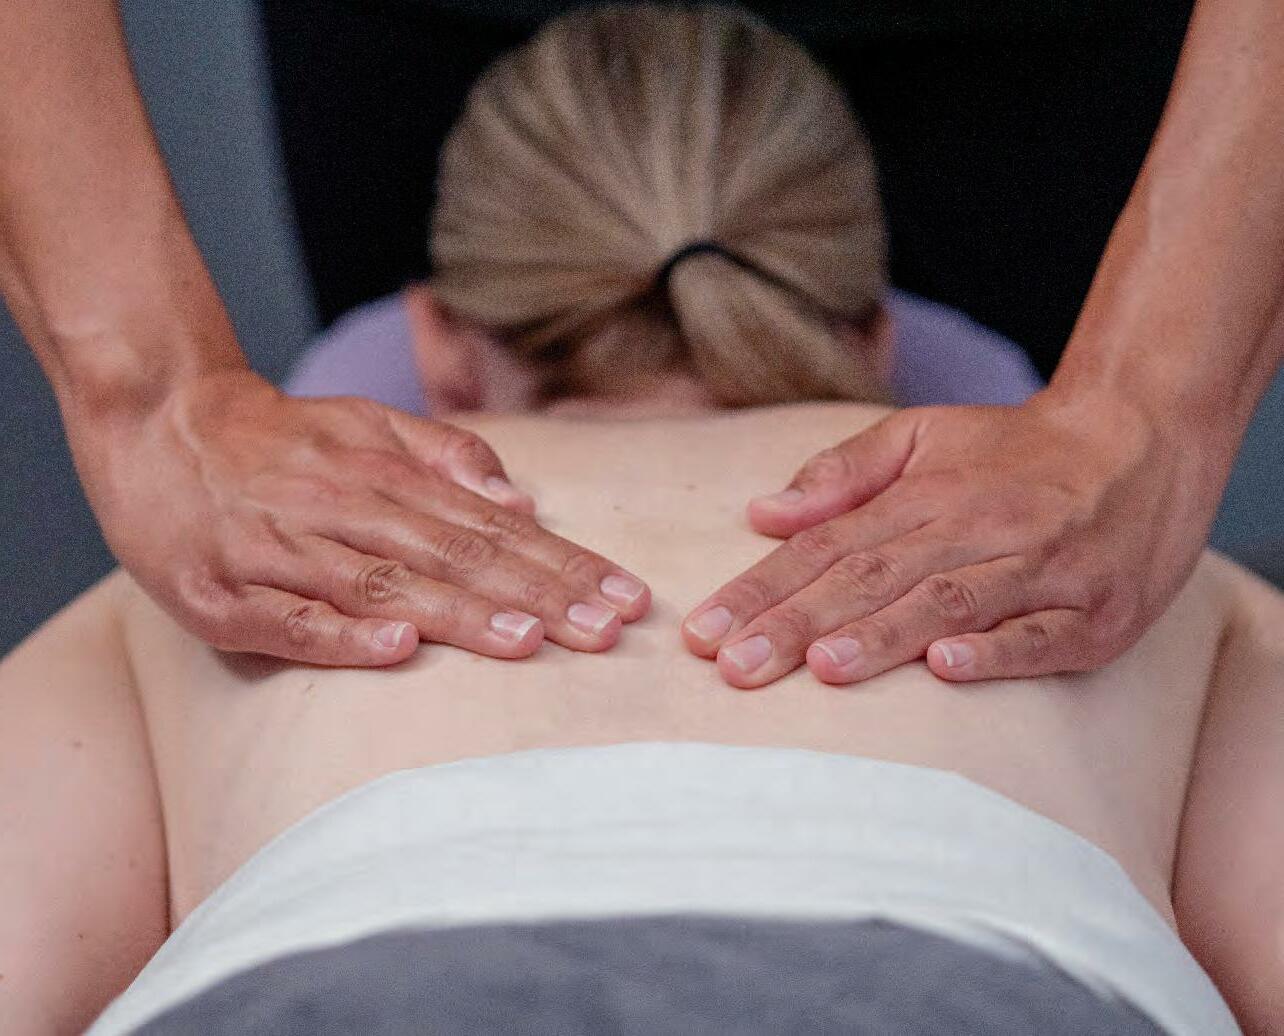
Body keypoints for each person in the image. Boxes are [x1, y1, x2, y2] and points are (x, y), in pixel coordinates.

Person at [2, 9, 1278, 1033]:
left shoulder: (220, 589)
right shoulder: (1129, 589)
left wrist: (148, 396)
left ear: (434, 348)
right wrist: (1149, 410)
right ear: (881, 341)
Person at [1, 0, 1281, 686]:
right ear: (881, 339)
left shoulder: (147, 653)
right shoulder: (1208, 641)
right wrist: (147, 397)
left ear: (435, 345)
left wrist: (1151, 412)